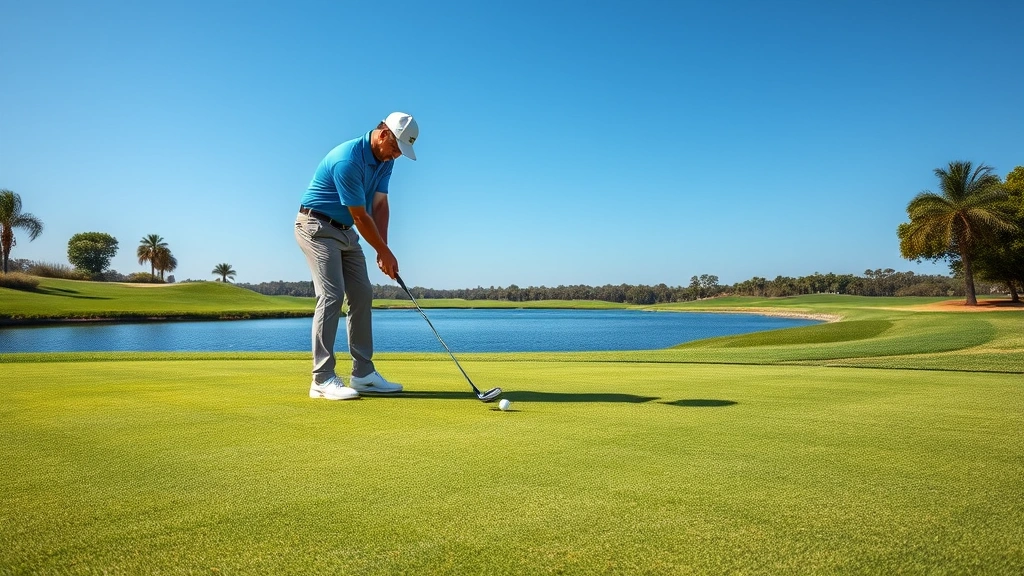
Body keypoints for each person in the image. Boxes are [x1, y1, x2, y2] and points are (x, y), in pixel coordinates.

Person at [294, 112, 419, 400]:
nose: (397, 155)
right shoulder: (348, 159)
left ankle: (363, 374)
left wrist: (383, 248)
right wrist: (382, 251)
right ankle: (321, 379)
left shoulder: (385, 161)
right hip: (315, 226)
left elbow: (380, 205)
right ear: (384, 133)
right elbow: (361, 216)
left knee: (362, 294)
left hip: (346, 232)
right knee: (332, 295)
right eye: (397, 147)